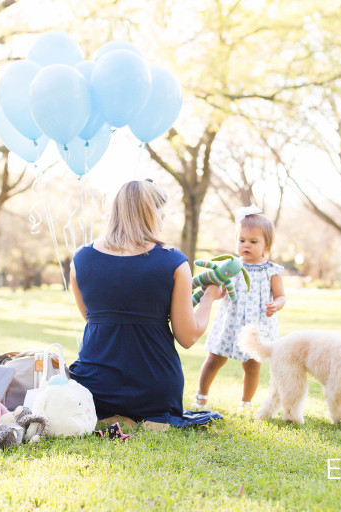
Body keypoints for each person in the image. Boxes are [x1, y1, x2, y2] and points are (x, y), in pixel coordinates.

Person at [68, 180, 224, 429]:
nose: (162, 222)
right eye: (161, 215)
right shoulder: (173, 261)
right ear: (152, 216)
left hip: (95, 389)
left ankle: (111, 414)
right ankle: (147, 419)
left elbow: (93, 320)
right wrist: (208, 297)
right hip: (155, 391)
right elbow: (188, 336)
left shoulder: (81, 259)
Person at [192, 205, 286, 410]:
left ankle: (246, 401)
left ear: (266, 244)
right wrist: (215, 292)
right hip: (230, 322)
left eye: (253, 242)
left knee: (252, 364)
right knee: (215, 358)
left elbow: (280, 296)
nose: (246, 245)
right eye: (241, 240)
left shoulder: (272, 270)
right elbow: (221, 291)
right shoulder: (231, 267)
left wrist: (275, 305)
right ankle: (201, 395)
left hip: (256, 326)